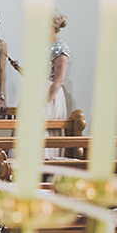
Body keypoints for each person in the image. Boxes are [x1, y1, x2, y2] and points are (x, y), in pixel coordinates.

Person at [45, 11, 71, 159]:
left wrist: (45, 101)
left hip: (50, 94)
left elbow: (59, 80)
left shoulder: (60, 48)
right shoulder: (44, 45)